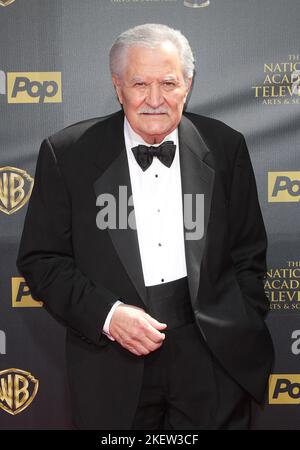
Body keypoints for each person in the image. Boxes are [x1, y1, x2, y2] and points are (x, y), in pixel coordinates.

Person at [16, 23, 274, 430]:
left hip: (211, 355)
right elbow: (42, 260)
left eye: (169, 83)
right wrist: (108, 315)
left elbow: (248, 251)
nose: (155, 99)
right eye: (140, 84)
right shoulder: (68, 154)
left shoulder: (226, 146)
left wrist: (239, 320)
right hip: (111, 359)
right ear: (118, 87)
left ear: (188, 84)